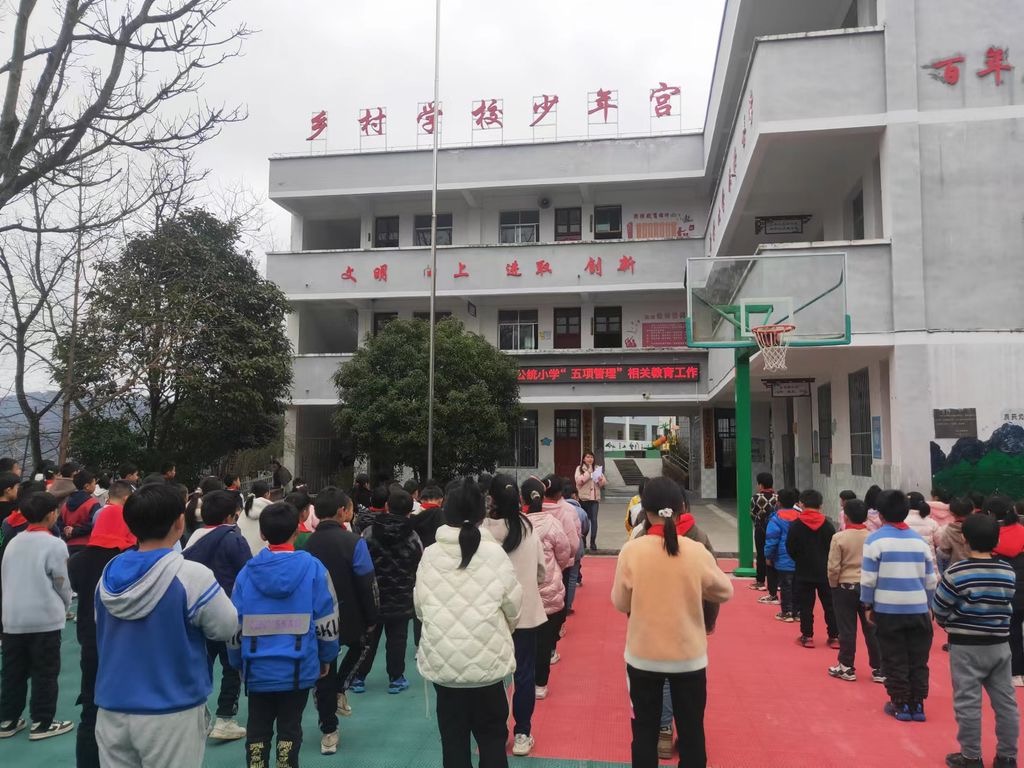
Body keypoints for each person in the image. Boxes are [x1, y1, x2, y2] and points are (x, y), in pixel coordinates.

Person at [93, 483, 238, 767]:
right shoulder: (191, 575)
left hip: (112, 706)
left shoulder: (107, 575)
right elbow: (226, 626)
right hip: (172, 708)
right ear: (179, 522)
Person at [612, 476, 733, 768]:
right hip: (688, 658)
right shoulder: (696, 550)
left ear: (644, 509)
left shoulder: (632, 550)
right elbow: (724, 591)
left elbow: (620, 602)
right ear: (681, 507)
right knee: (692, 733)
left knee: (644, 732)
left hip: (643, 657)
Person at [415, 477, 522, 768]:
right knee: (492, 739)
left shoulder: (431, 554)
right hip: (488, 664)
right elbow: (513, 606)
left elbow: (420, 607)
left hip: (445, 665)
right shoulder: (495, 553)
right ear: (481, 512)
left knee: (453, 742)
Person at [229, 501, 340, 768]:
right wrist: (326, 656)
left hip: (257, 668)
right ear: (297, 531)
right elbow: (327, 618)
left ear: (262, 534)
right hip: (298, 667)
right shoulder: (314, 568)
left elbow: (234, 624)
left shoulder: (246, 573)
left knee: (257, 729)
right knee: (290, 728)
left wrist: (236, 662)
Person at [932, 513, 1019, 768]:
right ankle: (1007, 757)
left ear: (964, 539)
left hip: (966, 647)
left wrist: (948, 624)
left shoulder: (956, 572)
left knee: (968, 703)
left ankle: (971, 757)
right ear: (996, 540)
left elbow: (939, 607)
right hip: (1000, 645)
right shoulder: (1007, 571)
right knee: (1006, 703)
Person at [303, 486, 379, 755]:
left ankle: (328, 731)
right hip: (349, 615)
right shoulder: (354, 542)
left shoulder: (306, 544)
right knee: (361, 646)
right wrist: (372, 616)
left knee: (323, 671)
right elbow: (367, 582)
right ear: (341, 511)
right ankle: (340, 688)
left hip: (315, 618)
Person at [67, 496, 138, 767]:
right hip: (125, 643)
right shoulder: (129, 559)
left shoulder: (77, 562)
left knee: (90, 710)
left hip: (91, 642)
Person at [0, 491, 74, 740]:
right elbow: (61, 581)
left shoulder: (14, 542)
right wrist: (65, 605)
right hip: (44, 619)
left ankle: (8, 719)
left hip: (13, 618)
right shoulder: (54, 544)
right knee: (45, 671)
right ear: (52, 514)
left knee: (13, 671)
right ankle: (42, 722)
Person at [861, 489, 938, 722]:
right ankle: (918, 704)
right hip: (918, 609)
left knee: (893, 658)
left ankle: (901, 703)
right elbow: (931, 579)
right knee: (918, 659)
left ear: (880, 514)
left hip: (888, 610)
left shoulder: (874, 540)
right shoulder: (919, 542)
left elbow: (868, 579)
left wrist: (867, 605)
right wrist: (929, 605)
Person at [483, 475, 546, 756]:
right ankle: (522, 733)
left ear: (491, 498)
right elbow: (541, 572)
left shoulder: (482, 531)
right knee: (524, 675)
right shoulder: (527, 528)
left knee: (493, 676)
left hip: (491, 615)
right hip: (525, 614)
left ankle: (496, 733)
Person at [182, 489, 252, 741]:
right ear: (230, 516)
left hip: (196, 612)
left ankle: (197, 714)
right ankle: (225, 718)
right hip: (229, 612)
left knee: (201, 663)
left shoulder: (192, 539)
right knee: (232, 666)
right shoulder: (234, 539)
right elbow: (247, 573)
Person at [352, 488, 422, 694]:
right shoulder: (413, 536)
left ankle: (358, 677)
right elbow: (419, 563)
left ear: (386, 506)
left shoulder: (369, 532)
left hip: (372, 595)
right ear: (410, 510)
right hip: (402, 595)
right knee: (398, 639)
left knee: (369, 639)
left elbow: (360, 562)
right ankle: (396, 677)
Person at [522, 477, 572, 699]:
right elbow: (565, 551)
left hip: (525, 591)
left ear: (522, 499)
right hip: (549, 589)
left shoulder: (518, 524)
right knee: (544, 641)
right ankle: (540, 684)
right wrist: (555, 571)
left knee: (524, 641)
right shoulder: (552, 523)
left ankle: (524, 680)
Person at [826, 499, 884, 683]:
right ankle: (879, 668)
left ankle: (846, 666)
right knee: (872, 628)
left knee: (847, 629)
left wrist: (833, 584)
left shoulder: (839, 537)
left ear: (846, 517)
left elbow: (833, 567)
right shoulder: (873, 537)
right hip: (869, 586)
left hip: (845, 586)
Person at [787, 489, 838, 648]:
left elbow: (790, 547)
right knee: (830, 606)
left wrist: (799, 560)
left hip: (803, 571)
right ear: (821, 505)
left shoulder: (796, 525)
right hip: (824, 571)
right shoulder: (828, 526)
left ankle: (807, 636)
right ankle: (834, 637)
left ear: (801, 504)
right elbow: (833, 548)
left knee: (806, 606)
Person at [991, 497, 1024, 687]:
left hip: (1007, 592)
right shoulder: (1022, 531)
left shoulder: (992, 536)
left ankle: (1015, 672)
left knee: (1012, 633)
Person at [764, 487, 800, 622]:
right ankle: (797, 612)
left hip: (783, 558)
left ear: (779, 502)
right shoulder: (800, 517)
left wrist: (768, 556)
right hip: (799, 559)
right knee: (797, 586)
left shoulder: (776, 519)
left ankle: (787, 612)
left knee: (785, 586)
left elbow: (772, 540)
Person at [561, 479, 589, 614]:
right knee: (572, 577)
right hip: (576, 546)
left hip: (560, 547)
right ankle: (568, 606)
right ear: (574, 495)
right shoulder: (580, 511)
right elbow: (585, 528)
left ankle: (559, 604)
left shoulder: (557, 509)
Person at [59, 469, 102, 555]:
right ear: (87, 486)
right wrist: (75, 531)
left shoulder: (65, 505)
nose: (95, 485)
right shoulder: (93, 503)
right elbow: (93, 524)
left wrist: (66, 530)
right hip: (86, 544)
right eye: (94, 483)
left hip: (67, 545)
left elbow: (59, 523)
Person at [749, 472, 778, 601]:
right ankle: (777, 582)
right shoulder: (777, 497)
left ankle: (760, 580)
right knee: (774, 554)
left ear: (760, 485)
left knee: (761, 554)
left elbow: (752, 514)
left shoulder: (756, 497)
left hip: (760, 529)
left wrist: (758, 522)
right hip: (775, 529)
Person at [575, 451, 606, 551]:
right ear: (584, 459)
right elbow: (579, 481)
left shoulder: (597, 469)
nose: (590, 459)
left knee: (594, 520)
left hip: (594, 499)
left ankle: (593, 542)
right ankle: (583, 541)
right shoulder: (579, 469)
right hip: (583, 499)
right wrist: (588, 472)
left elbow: (603, 483)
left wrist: (600, 479)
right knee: (583, 521)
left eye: (591, 457)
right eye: (588, 457)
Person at [939, 497, 974, 573]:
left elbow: (944, 551)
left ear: (951, 513)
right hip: (976, 567)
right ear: (972, 510)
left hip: (956, 569)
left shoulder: (949, 530)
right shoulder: (978, 527)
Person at [239, 480, 272, 555]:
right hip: (265, 557)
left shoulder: (244, 510)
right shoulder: (272, 511)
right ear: (267, 494)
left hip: (244, 555)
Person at [906, 492, 941, 558]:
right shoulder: (932, 523)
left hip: (908, 560)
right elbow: (940, 543)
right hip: (928, 561)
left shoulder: (901, 522)